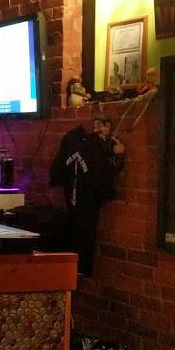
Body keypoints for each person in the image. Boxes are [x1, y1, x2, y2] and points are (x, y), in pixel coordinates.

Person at [49, 114, 125, 276]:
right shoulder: (96, 146)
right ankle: (80, 270)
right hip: (88, 204)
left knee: (75, 230)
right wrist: (119, 156)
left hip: (73, 203)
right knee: (85, 232)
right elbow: (108, 176)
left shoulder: (71, 139)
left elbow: (56, 173)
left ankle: (73, 271)